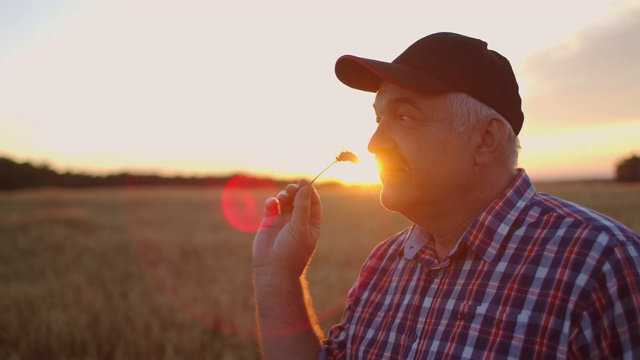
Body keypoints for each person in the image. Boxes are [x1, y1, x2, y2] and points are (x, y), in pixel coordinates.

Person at [252, 32, 640, 359]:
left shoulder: (602, 264)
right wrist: (277, 276)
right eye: (378, 119)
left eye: (405, 117)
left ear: (485, 140)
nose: (373, 143)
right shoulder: (384, 265)